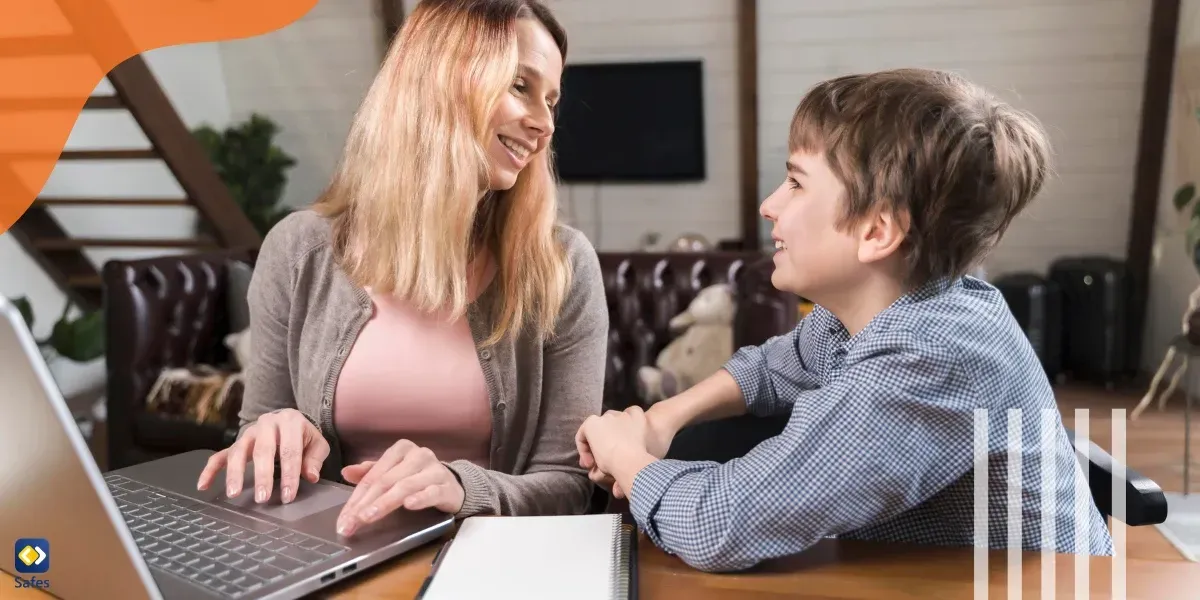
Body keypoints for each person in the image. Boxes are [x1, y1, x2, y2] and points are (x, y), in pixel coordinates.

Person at [575, 68, 1115, 572]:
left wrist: (626, 456)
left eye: (796, 183)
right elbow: (772, 367)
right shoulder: (879, 309)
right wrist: (661, 420)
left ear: (877, 232)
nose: (769, 205)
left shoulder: (930, 359)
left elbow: (724, 524)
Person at [195, 0, 608, 539]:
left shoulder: (562, 266)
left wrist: (463, 489)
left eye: (552, 99)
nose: (545, 123)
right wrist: (277, 430)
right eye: (520, 86)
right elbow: (259, 428)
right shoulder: (297, 249)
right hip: (329, 558)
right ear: (436, 81)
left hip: (487, 564)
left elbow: (569, 485)